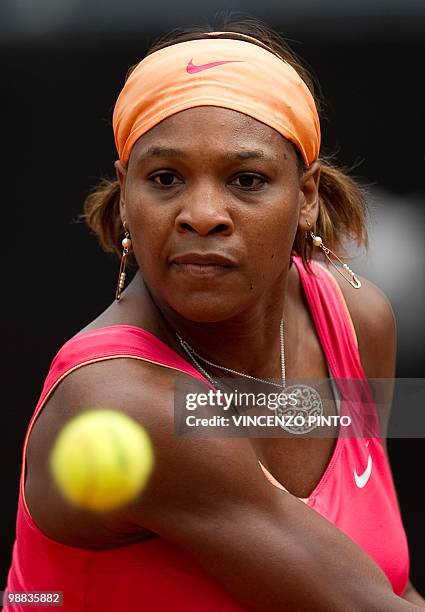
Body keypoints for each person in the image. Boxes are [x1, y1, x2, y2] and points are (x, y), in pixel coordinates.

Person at [5, 18, 425, 612]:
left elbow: (390, 583)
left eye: (247, 180)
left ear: (305, 196)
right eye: (166, 178)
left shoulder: (360, 321)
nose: (202, 215)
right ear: (125, 193)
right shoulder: (122, 405)